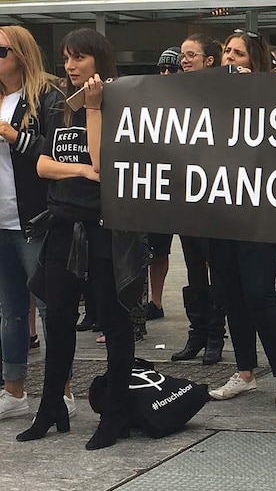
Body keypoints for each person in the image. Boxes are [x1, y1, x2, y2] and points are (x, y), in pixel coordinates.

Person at [19, 28, 147, 450]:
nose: (71, 67)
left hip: (106, 228)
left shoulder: (118, 103)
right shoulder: (58, 106)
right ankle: (51, 405)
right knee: (57, 319)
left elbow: (103, 161)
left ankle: (116, 413)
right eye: (67, 59)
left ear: (99, 61)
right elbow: (41, 165)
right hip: (62, 223)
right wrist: (75, 171)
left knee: (113, 319)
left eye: (79, 59)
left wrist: (94, 110)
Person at [206, 29, 276, 410]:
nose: (230, 58)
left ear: (255, 62)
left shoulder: (273, 98)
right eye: (226, 51)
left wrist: (257, 92)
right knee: (231, 293)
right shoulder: (209, 102)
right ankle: (245, 371)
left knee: (260, 293)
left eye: (239, 54)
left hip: (260, 210)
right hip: (219, 210)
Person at [0, 26, 64, 421]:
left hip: (33, 217)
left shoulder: (45, 97)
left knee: (49, 305)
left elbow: (59, 148)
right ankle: (14, 391)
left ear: (21, 53)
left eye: (0, 50)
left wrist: (15, 138)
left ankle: (63, 389)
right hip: (1, 217)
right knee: (10, 310)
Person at [171, 33, 226, 365]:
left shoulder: (225, 94)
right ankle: (198, 332)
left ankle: (216, 336)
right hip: (184, 195)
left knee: (215, 268)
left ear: (209, 61)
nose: (184, 60)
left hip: (215, 197)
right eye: (182, 55)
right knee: (193, 269)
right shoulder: (174, 94)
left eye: (191, 54)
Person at [144, 46, 182, 322]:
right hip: (158, 182)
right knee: (156, 247)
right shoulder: (150, 97)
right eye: (162, 68)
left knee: (200, 253)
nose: (166, 73)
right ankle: (154, 302)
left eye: (172, 68)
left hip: (188, 180)